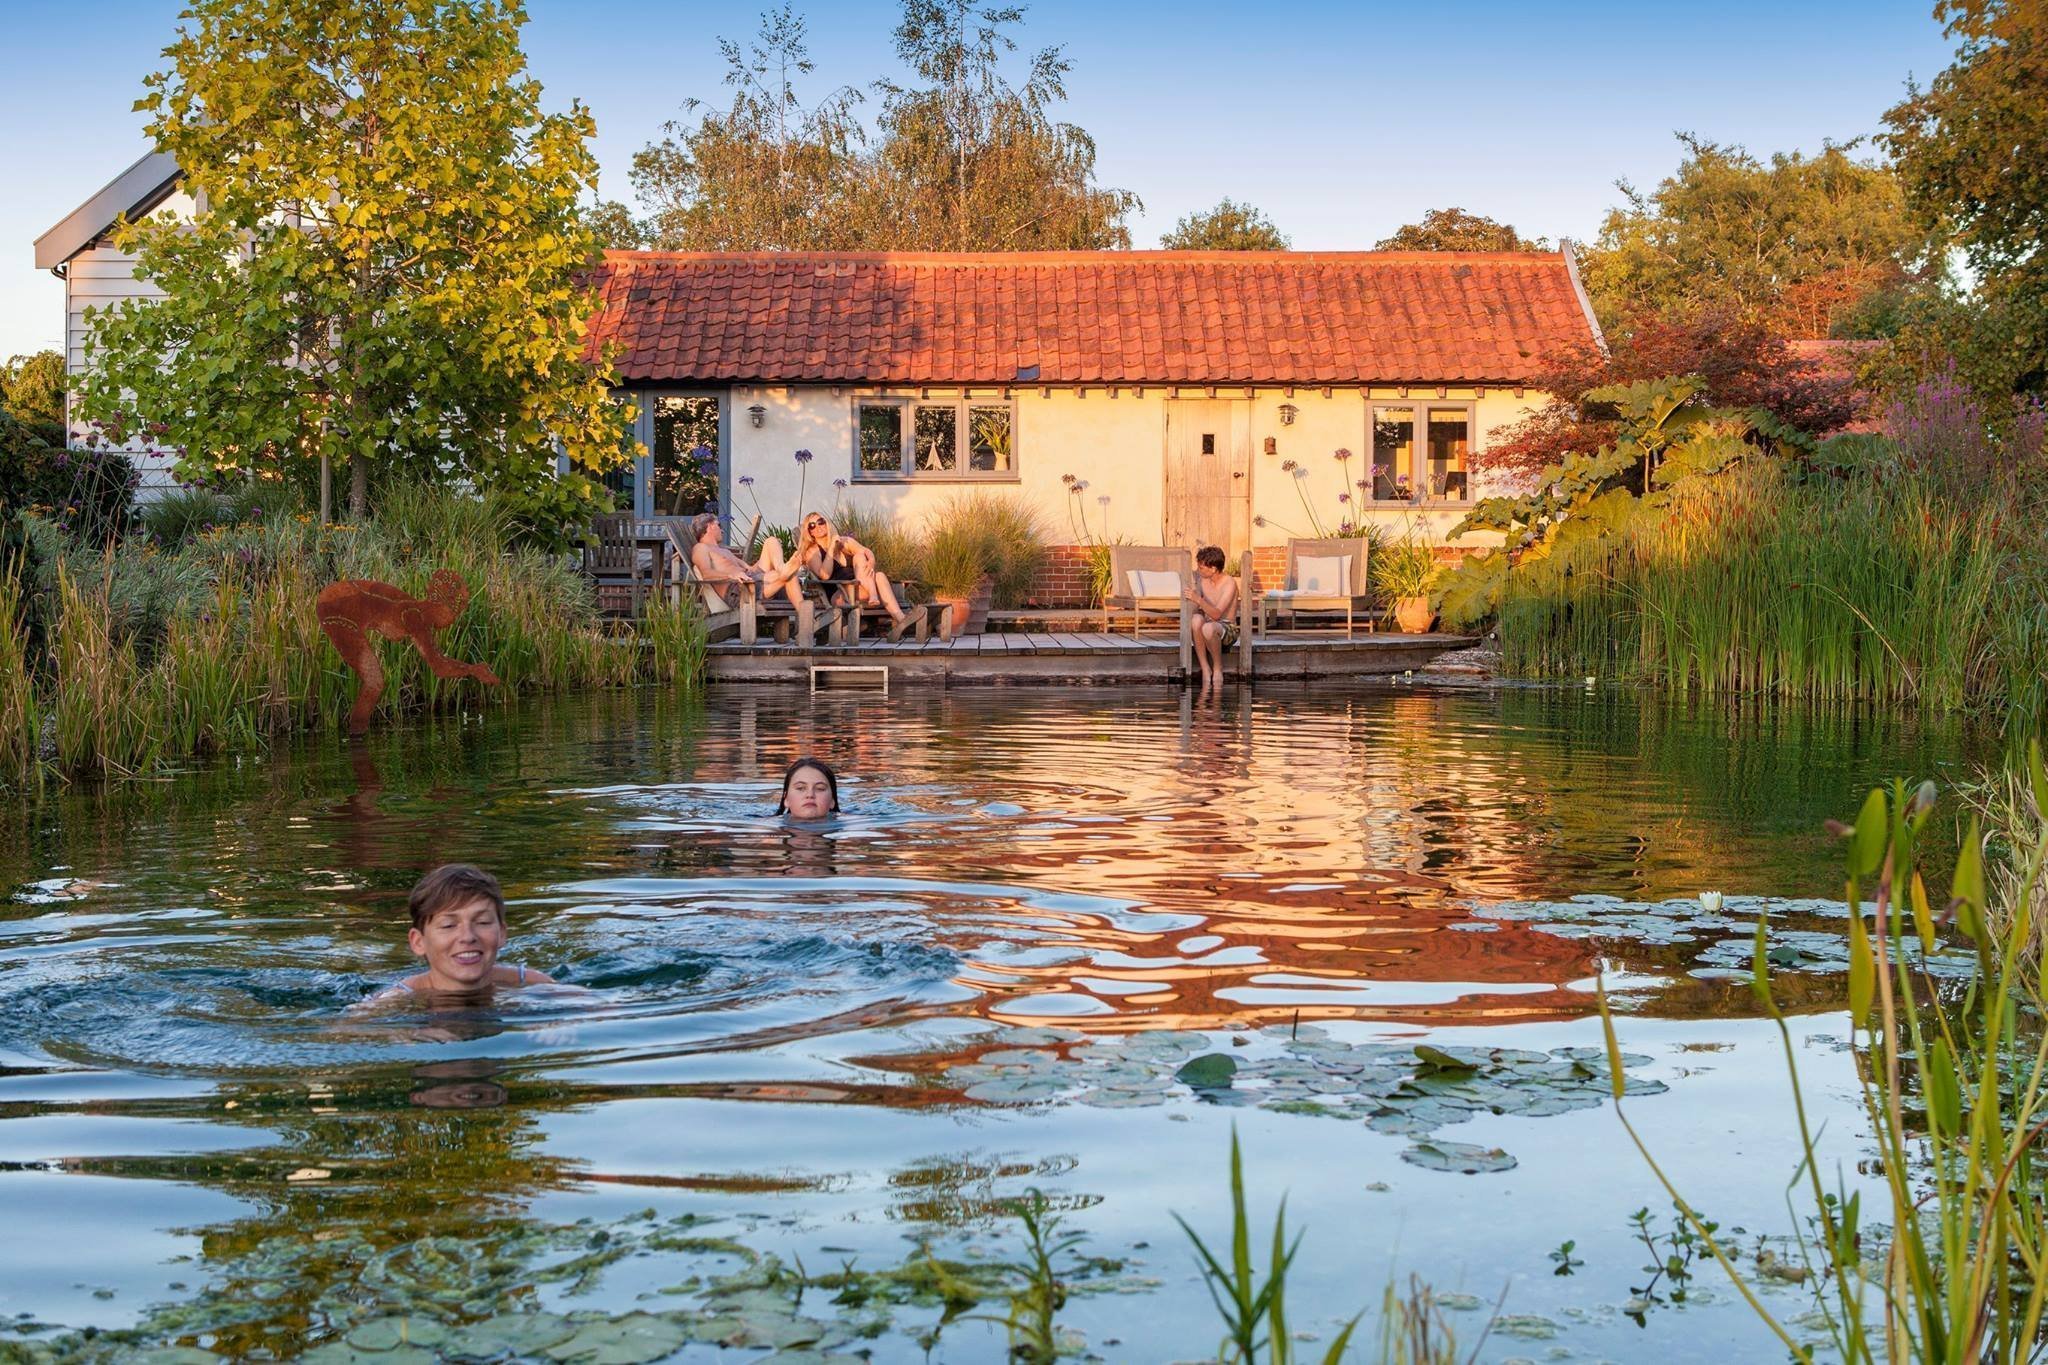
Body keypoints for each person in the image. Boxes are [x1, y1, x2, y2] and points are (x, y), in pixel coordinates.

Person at [382, 864, 556, 999]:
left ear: (502, 933)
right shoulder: (396, 999)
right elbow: (359, 1031)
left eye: (482, 922)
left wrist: (558, 1029)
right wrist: (409, 1035)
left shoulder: (532, 984)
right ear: (418, 942)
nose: (468, 937)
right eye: (448, 925)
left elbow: (582, 1011)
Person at [798, 513, 911, 639]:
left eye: (820, 522)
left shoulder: (843, 541)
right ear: (809, 532)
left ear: (826, 523)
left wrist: (871, 562)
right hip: (841, 592)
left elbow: (866, 551)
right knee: (878, 577)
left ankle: (900, 620)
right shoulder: (812, 552)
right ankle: (901, 619)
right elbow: (824, 575)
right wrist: (830, 549)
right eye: (812, 526)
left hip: (861, 586)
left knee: (870, 567)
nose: (818, 526)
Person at [673, 513, 806, 608]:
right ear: (710, 527)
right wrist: (732, 575)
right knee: (790, 574)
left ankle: (783, 569)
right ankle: (805, 620)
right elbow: (706, 574)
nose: (722, 530)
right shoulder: (700, 548)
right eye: (719, 525)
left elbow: (750, 569)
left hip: (752, 578)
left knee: (771, 541)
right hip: (739, 590)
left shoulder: (724, 551)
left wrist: (772, 551)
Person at [1184, 545, 1240, 691]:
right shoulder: (1203, 582)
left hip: (1228, 629)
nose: (1198, 570)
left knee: (1208, 627)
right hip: (1208, 627)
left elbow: (1216, 614)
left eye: (1201, 568)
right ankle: (1205, 669)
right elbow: (1196, 607)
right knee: (1196, 620)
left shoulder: (1229, 583)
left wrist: (1198, 600)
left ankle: (1217, 668)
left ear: (1213, 568)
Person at [776, 756, 841, 821]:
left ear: (832, 800)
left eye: (820, 788)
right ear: (786, 799)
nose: (810, 795)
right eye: (800, 788)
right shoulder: (768, 827)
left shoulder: (850, 825)